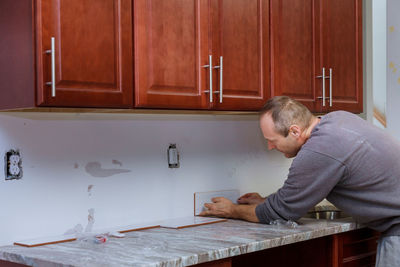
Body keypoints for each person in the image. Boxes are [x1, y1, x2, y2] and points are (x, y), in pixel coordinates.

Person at [200, 96, 400, 267]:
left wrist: (231, 210)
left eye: (273, 140)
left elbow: (281, 212)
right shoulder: (338, 119)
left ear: (295, 131)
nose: (270, 146)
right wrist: (266, 200)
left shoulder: (318, 150)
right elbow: (303, 191)